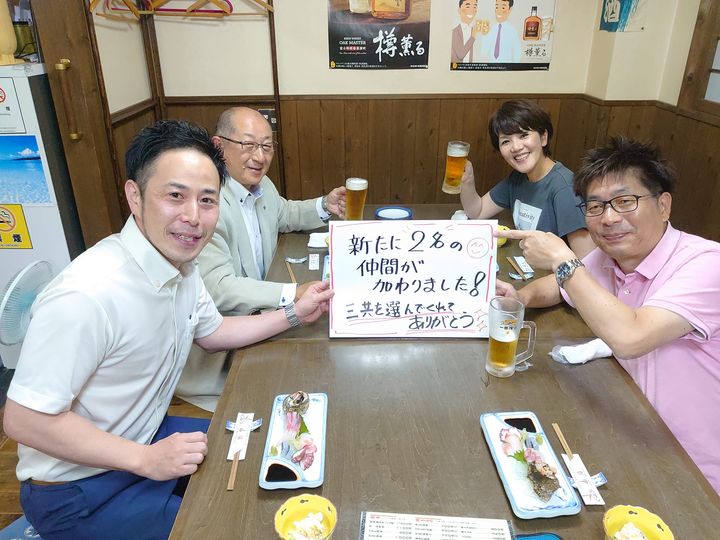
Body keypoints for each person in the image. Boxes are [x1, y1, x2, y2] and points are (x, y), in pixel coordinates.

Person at [2, 119, 334, 539]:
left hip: (146, 434)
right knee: (231, 526)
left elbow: (213, 333)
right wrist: (145, 460)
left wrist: (295, 313)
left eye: (207, 200)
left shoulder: (180, 265)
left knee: (274, 452)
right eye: (175, 196)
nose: (193, 217)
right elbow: (23, 420)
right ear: (135, 196)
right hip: (77, 490)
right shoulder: (87, 293)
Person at [497, 137, 720, 495]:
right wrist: (519, 297)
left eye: (625, 201)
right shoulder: (609, 257)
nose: (610, 218)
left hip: (694, 473)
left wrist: (561, 257)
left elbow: (631, 338)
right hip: (628, 432)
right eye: (595, 206)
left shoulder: (706, 264)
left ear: (663, 205)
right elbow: (561, 285)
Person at [175, 107, 345, 412]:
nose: (259, 156)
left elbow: (284, 213)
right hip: (220, 356)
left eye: (267, 146)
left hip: (261, 320)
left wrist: (324, 205)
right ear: (218, 146)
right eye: (249, 144)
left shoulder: (261, 185)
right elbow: (220, 288)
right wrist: (293, 292)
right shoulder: (207, 204)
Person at [460, 99, 595, 258]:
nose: (516, 147)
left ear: (543, 137)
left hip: (553, 273)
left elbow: (587, 262)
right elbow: (478, 212)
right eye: (506, 141)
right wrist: (467, 181)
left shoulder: (565, 188)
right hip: (525, 265)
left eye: (524, 135)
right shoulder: (518, 179)